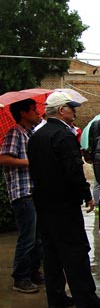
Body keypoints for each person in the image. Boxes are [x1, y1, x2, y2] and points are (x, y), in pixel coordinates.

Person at [27, 91, 100, 308]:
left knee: (51, 252)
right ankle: (87, 300)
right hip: (64, 204)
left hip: (43, 202)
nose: (74, 112)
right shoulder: (64, 136)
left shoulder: (36, 136)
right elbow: (73, 171)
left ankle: (56, 297)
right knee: (75, 251)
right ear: (62, 110)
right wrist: (86, 194)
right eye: (72, 108)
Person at [0, 98, 43, 293]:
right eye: (34, 110)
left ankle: (33, 272)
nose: (38, 113)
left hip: (33, 191)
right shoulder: (15, 133)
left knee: (37, 238)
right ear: (23, 113)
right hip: (22, 193)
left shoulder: (30, 134)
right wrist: (30, 163)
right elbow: (3, 158)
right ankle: (20, 277)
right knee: (27, 237)